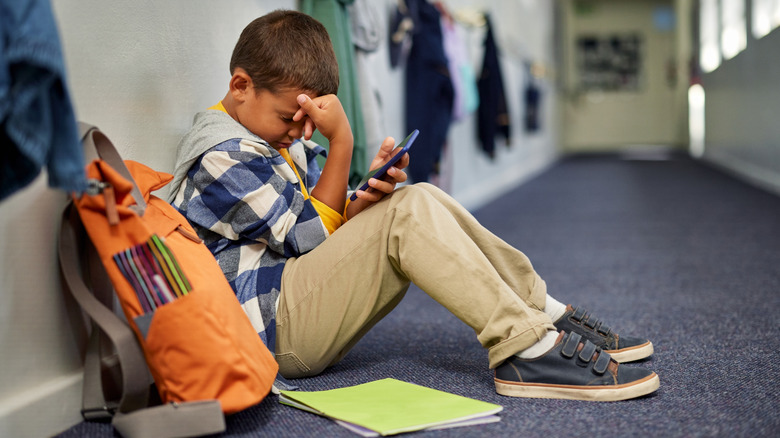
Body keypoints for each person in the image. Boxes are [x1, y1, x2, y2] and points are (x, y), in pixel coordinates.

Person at [168, 10, 659, 402]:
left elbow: (319, 226)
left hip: (293, 297)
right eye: (288, 119)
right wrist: (342, 142)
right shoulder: (221, 154)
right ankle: (524, 348)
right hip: (273, 330)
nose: (299, 132)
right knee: (406, 213)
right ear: (240, 86)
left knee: (413, 196)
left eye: (306, 123)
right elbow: (307, 238)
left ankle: (542, 313)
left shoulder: (265, 135)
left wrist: (363, 198)